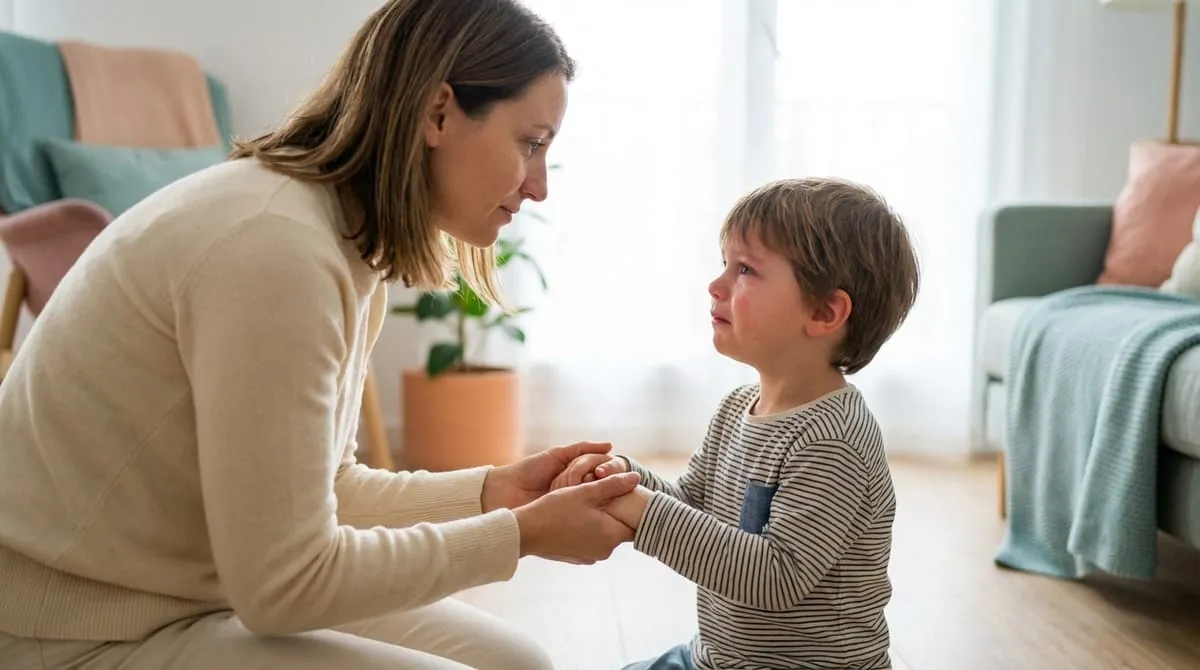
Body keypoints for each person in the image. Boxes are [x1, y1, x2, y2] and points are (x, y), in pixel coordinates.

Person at [0, 1, 643, 668]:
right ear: (438, 113)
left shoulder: (338, 238)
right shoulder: (274, 250)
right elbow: (284, 586)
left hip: (184, 590)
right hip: (69, 628)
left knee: (519, 663)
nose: (539, 186)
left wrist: (492, 493)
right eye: (531, 143)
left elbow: (323, 491)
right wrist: (519, 535)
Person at [553, 177, 921, 670]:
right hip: (716, 658)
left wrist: (640, 509)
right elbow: (691, 505)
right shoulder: (737, 408)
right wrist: (623, 479)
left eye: (745, 269)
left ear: (825, 311)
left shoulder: (833, 440)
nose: (716, 285)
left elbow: (776, 577)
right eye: (724, 263)